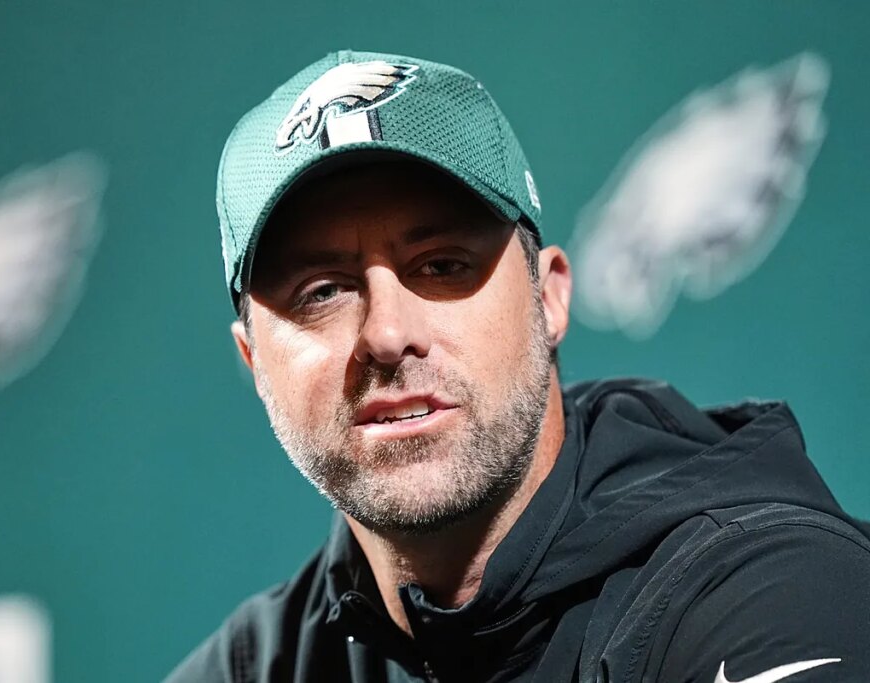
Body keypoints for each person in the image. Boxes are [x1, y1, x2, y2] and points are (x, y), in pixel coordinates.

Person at [166, 50, 870, 682]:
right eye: (322, 292)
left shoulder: (767, 592)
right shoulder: (264, 662)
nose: (387, 333)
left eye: (441, 265)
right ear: (254, 362)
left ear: (549, 298)